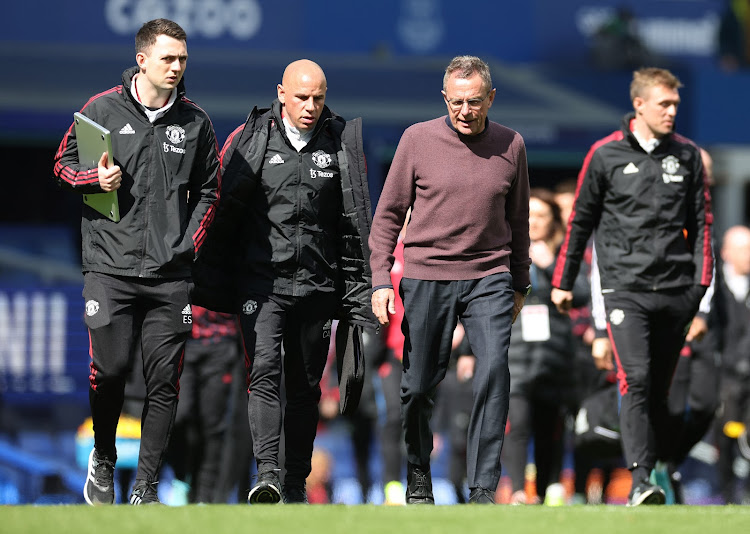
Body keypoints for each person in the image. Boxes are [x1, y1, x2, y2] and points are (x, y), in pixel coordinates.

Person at [52, 18, 220, 505]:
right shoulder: (100, 108)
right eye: (168, 58)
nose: (177, 67)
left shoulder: (196, 122)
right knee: (111, 370)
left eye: (183, 59)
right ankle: (103, 457)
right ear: (142, 60)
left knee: (165, 381)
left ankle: (146, 487)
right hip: (109, 267)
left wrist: (189, 244)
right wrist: (92, 182)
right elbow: (61, 164)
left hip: (171, 277)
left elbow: (211, 191)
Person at [191, 59, 374, 505]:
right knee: (264, 375)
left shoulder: (341, 144)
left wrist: (359, 291)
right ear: (281, 93)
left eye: (318, 97)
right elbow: (218, 209)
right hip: (262, 285)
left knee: (306, 387)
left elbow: (354, 224)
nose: (311, 106)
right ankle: (268, 474)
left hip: (318, 286)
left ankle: (294, 483)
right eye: (302, 97)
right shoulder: (250, 138)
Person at [369, 55, 532, 505]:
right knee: (418, 384)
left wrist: (521, 282)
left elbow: (518, 220)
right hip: (427, 274)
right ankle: (419, 476)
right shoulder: (417, 140)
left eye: (474, 102)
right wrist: (381, 278)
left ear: (491, 98)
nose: (465, 110)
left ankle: (483, 488)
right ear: (445, 98)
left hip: (490, 275)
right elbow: (387, 217)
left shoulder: (511, 144)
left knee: (494, 371)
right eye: (456, 102)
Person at [551, 67, 713, 506]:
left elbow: (702, 226)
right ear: (639, 104)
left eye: (676, 104)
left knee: (660, 389)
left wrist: (699, 286)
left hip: (677, 291)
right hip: (625, 290)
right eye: (665, 104)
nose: (672, 111)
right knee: (636, 379)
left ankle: (660, 466)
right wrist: (563, 281)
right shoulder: (604, 154)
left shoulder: (688, 156)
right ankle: (641, 480)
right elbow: (580, 220)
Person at [502, 188, 589, 505]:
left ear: (553, 222)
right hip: (516, 353)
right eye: (530, 215)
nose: (534, 222)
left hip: (556, 356)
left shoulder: (565, 254)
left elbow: (582, 293)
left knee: (550, 426)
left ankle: (550, 485)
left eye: (542, 216)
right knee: (518, 424)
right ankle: (517, 491)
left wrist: (552, 264)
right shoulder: (505, 250)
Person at [165, 306, 240, 503]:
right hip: (183, 340)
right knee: (178, 416)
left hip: (221, 341)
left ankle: (205, 496)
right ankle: (181, 478)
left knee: (212, 425)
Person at [712, 225, 750, 504]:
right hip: (724, 378)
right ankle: (727, 495)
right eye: (743, 248)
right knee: (726, 436)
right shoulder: (713, 291)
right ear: (726, 253)